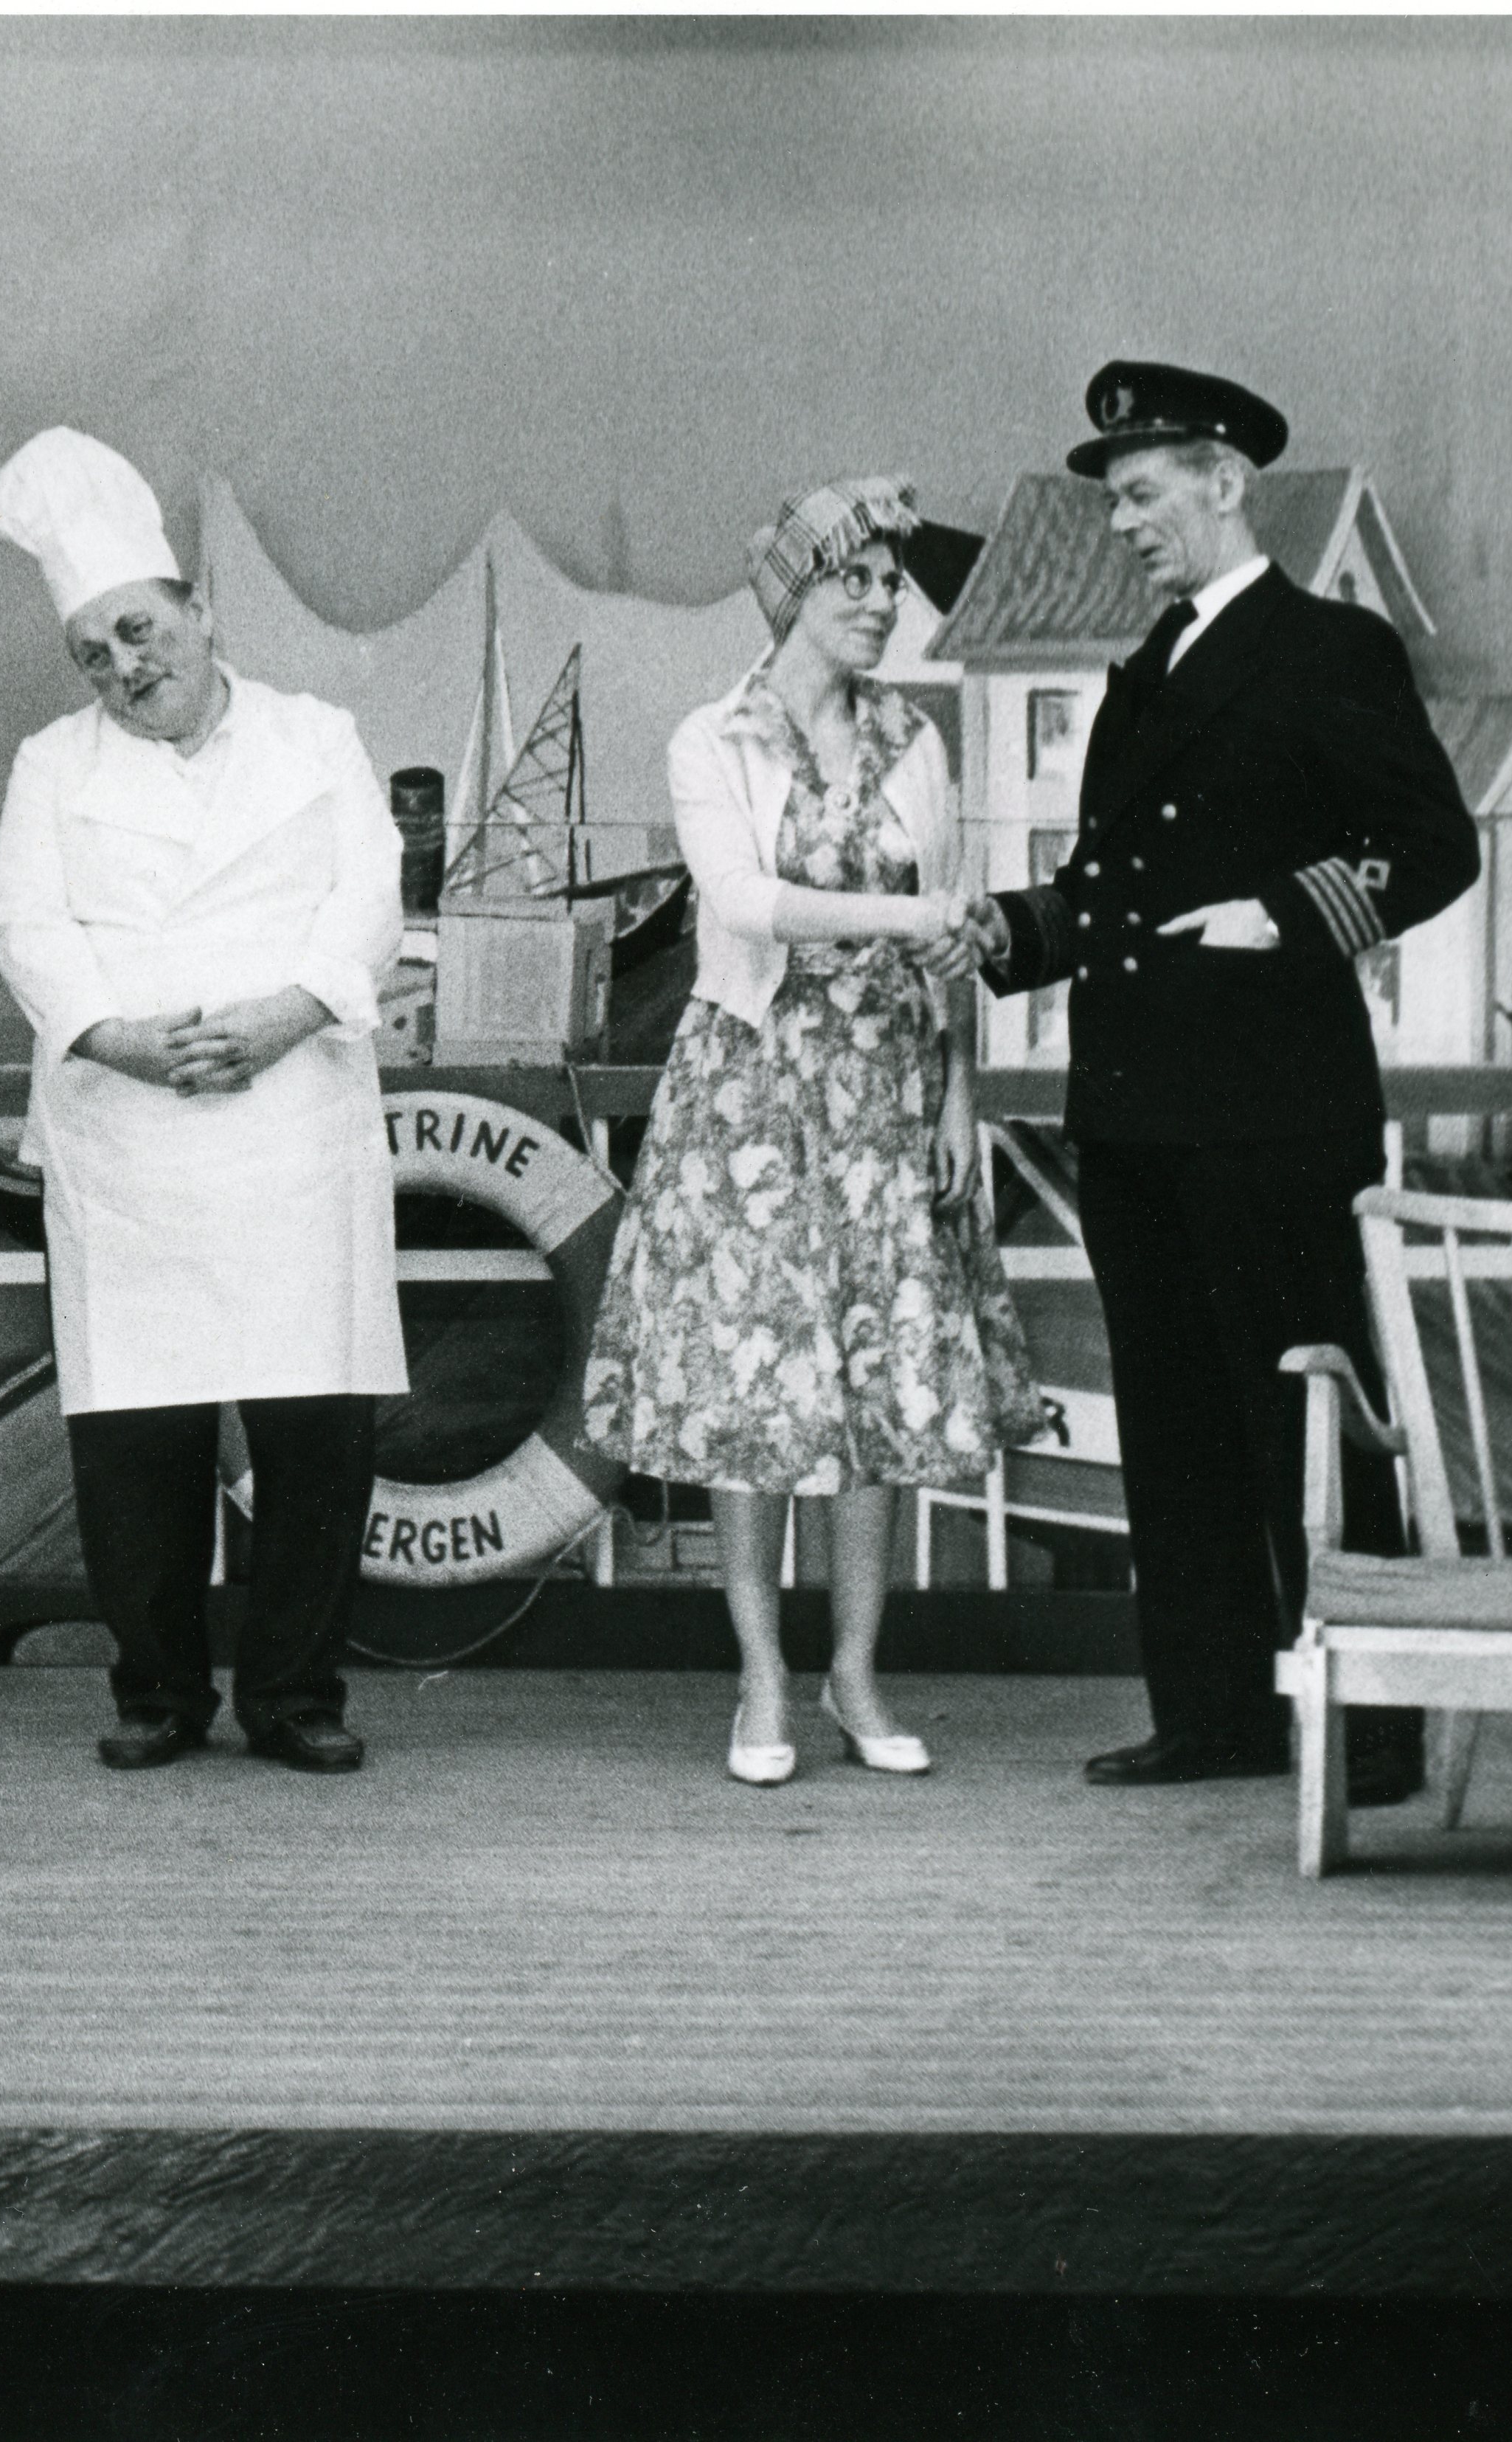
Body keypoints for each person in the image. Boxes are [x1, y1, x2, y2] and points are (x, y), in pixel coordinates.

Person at [979, 362, 1478, 1807]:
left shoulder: (1329, 648)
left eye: (1141, 495)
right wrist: (1007, 933)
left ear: (1223, 481)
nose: (1123, 523)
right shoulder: (1147, 670)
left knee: (1308, 1411)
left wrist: (1281, 911)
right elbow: (1116, 886)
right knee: (1174, 1418)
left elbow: (1431, 844)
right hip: (1136, 1109)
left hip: (1273, 1112)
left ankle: (1372, 1721)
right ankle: (1211, 1711)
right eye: (1111, 502)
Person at [580, 478, 1050, 1787]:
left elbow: (951, 942)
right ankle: (760, 1677)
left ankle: (853, 1670)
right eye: (856, 579)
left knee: (878, 1383)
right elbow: (741, 900)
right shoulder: (710, 739)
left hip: (887, 1092)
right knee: (755, 1386)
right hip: (751, 1094)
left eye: (890, 583)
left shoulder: (913, 741)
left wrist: (957, 1087)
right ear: (793, 592)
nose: (881, 602)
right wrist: (915, 917)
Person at [0, 426, 403, 1774]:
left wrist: (287, 1015)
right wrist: (118, 1041)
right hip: (130, 1131)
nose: (121, 666)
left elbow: (369, 899)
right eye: (91, 653)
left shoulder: (316, 736)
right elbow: (25, 925)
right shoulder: (52, 765)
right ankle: (157, 1690)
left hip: (295, 1121)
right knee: (137, 1431)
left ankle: (294, 1694)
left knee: (312, 1424)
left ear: (200, 613)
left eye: (138, 630)